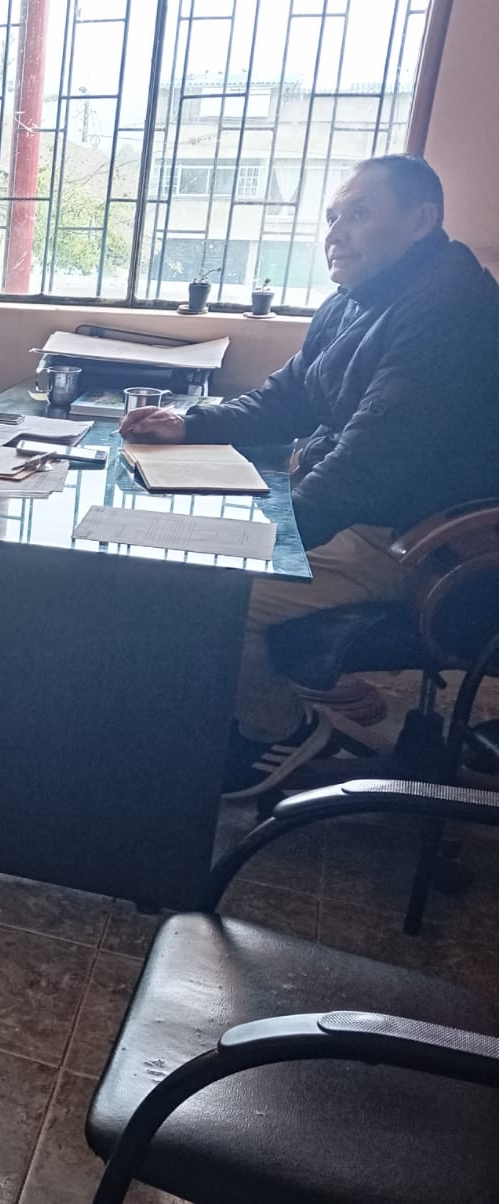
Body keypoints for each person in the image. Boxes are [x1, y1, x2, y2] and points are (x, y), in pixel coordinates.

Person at [119, 154, 499, 799]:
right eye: (331, 218)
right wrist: (189, 424)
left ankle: (280, 729)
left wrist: (262, 540)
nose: (336, 234)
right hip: (354, 513)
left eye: (359, 214)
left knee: (206, 593)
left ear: (420, 221)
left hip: (417, 541)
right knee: (188, 547)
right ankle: (283, 692)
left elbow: (368, 467)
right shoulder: (360, 298)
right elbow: (287, 398)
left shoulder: (448, 310)